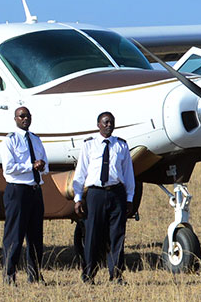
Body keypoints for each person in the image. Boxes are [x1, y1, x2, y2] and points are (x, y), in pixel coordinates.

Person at [72, 112, 135, 284]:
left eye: (111, 122)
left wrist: (129, 198)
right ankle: (88, 275)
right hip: (96, 194)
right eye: (106, 122)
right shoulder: (89, 145)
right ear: (98, 124)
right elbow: (81, 172)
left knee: (117, 235)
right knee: (92, 234)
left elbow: (128, 174)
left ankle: (116, 275)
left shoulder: (121, 145)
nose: (109, 125)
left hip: (116, 193)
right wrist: (78, 197)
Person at [0, 107, 48, 285]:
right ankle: (9, 275)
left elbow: (44, 162)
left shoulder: (35, 139)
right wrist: (31, 166)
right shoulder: (9, 141)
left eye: (28, 116)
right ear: (15, 119)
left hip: (35, 190)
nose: (25, 119)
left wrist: (42, 166)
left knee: (36, 236)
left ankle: (34, 275)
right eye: (22, 116)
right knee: (15, 235)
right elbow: (9, 168)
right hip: (17, 190)